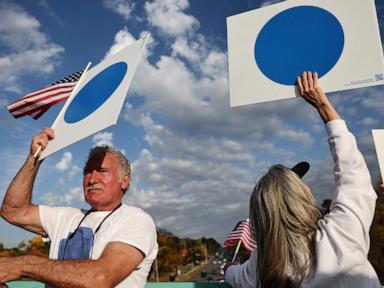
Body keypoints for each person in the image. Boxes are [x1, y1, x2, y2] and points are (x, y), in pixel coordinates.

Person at [224, 72, 381, 287]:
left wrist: (228, 269)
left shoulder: (262, 265)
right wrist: (324, 106)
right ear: (301, 197)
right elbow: (353, 174)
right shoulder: (341, 235)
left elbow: (235, 276)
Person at [0, 132, 158, 288]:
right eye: (88, 172)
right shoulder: (66, 217)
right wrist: (34, 159)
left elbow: (99, 278)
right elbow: (13, 211)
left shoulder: (136, 220)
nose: (93, 179)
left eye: (102, 171)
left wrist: (24, 265)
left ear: (124, 181)